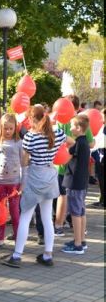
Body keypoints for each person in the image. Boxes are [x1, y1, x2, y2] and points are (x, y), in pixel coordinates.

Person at [1, 105, 68, 268]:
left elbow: (24, 162)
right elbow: (70, 142)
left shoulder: (30, 137)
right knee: (47, 217)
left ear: (32, 118)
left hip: (35, 176)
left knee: (25, 216)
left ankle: (17, 255)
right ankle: (47, 255)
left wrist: (28, 164)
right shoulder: (57, 133)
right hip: (50, 175)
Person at [54, 95, 94, 236]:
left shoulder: (62, 121)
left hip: (62, 166)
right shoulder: (79, 122)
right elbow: (91, 143)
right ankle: (79, 230)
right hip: (77, 169)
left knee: (63, 196)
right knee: (77, 201)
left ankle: (59, 225)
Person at [0, 113, 25, 249]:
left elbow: (24, 165)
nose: (8, 131)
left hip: (14, 184)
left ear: (15, 128)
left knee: (15, 212)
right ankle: (0, 240)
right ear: (1, 128)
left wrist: (23, 184)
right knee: (0, 212)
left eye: (11, 128)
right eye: (5, 128)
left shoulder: (19, 143)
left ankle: (18, 240)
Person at [61, 115, 91, 254]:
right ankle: (81, 240)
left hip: (75, 183)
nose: (70, 127)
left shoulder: (77, 143)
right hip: (82, 182)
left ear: (78, 128)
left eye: (72, 125)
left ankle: (77, 244)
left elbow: (65, 158)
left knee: (75, 213)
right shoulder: (84, 142)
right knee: (81, 212)